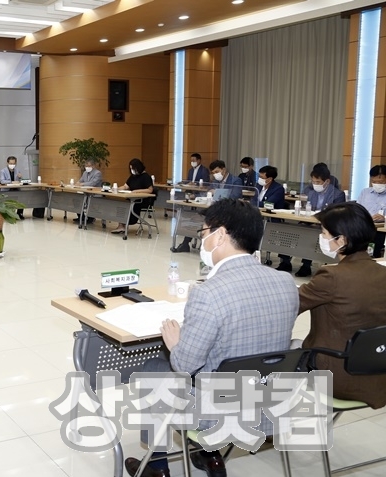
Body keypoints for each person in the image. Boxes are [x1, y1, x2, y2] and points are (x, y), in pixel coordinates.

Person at [125, 199, 299, 477]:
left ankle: (157, 466)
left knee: (153, 369)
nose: (202, 240)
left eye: (204, 232)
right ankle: (209, 456)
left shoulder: (208, 293)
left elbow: (185, 365)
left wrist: (175, 342)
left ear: (220, 235)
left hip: (218, 410)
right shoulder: (286, 282)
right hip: (269, 403)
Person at [298, 202, 386, 408]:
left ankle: (269, 422)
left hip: (337, 376)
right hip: (377, 374)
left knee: (282, 353)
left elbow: (290, 306)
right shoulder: (382, 273)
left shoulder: (332, 276)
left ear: (342, 239)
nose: (322, 238)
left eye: (324, 233)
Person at [276, 163, 345, 277]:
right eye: (313, 182)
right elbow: (304, 206)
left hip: (325, 225)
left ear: (327, 181)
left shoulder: (337, 194)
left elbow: (335, 214)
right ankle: (285, 261)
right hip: (308, 221)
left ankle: (306, 265)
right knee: (288, 231)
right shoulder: (309, 191)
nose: (315, 185)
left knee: (310, 234)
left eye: (318, 182)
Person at [110, 158, 153, 234]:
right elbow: (125, 186)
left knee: (128, 206)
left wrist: (137, 191)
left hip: (141, 200)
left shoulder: (145, 176)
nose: (132, 170)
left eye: (133, 168)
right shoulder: (133, 176)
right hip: (132, 198)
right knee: (121, 204)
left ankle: (124, 223)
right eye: (130, 169)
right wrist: (116, 189)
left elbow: (150, 190)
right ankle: (121, 225)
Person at [355, 164, 386, 258]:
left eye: (380, 182)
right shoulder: (365, 192)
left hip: (381, 232)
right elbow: (357, 210)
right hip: (364, 229)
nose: (377, 184)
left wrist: (384, 218)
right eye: (374, 181)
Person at [73, 159, 103, 224]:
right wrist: (77, 183)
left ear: (93, 166)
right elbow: (80, 180)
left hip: (94, 194)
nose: (87, 167)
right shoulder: (85, 173)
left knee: (89, 201)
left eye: (89, 166)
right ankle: (81, 217)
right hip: (85, 192)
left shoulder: (98, 173)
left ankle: (91, 218)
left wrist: (82, 184)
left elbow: (93, 183)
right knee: (77, 199)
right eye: (86, 166)